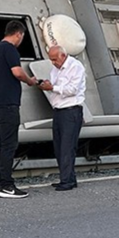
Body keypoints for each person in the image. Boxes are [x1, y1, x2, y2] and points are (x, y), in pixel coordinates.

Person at [0, 20, 41, 198]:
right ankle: (7, 185)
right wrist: (30, 81)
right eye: (22, 37)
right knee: (9, 145)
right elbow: (17, 72)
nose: (21, 40)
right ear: (18, 34)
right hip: (7, 104)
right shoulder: (10, 49)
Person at [38, 44, 86, 191]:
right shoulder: (55, 69)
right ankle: (68, 178)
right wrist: (47, 84)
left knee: (67, 147)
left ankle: (67, 180)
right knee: (59, 147)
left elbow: (72, 90)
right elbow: (56, 86)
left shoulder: (75, 66)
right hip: (59, 110)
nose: (53, 62)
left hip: (71, 110)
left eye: (54, 59)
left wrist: (52, 88)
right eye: (51, 59)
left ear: (63, 56)